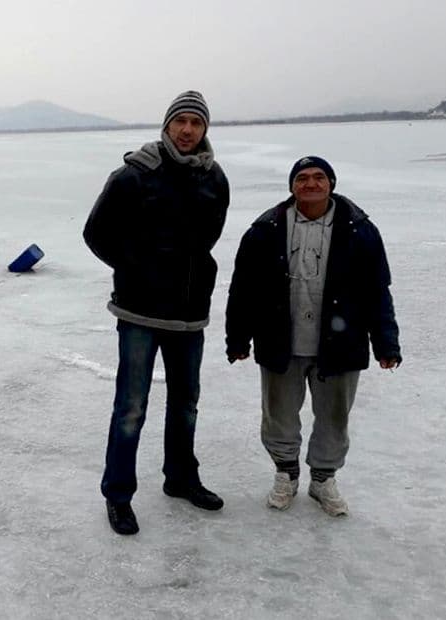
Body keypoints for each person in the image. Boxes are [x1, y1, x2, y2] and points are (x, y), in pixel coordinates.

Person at [83, 91, 230, 535]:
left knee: (186, 403)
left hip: (189, 314)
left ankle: (181, 478)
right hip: (140, 313)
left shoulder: (214, 177)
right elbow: (96, 232)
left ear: (205, 130)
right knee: (131, 406)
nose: (187, 130)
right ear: (166, 126)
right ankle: (118, 494)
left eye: (196, 123)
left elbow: (210, 236)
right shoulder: (134, 174)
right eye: (180, 121)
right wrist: (137, 270)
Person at [225, 156, 401, 516]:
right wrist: (238, 338)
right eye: (302, 178)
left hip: (340, 343)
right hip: (281, 341)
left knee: (334, 416)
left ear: (331, 183)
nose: (310, 184)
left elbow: (376, 290)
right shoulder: (265, 228)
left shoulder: (360, 229)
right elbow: (243, 289)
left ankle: (323, 479)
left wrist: (386, 342)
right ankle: (286, 473)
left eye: (319, 177)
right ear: (291, 186)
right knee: (279, 415)